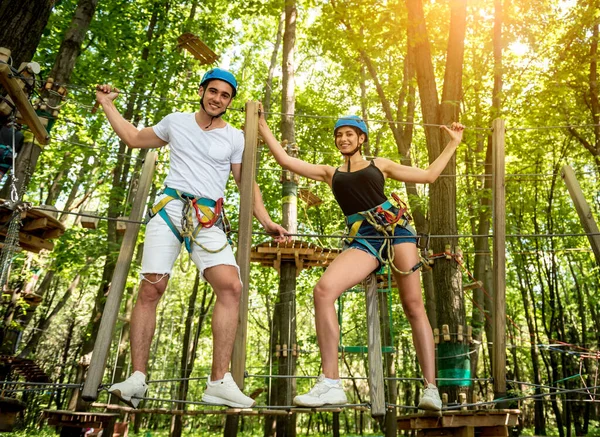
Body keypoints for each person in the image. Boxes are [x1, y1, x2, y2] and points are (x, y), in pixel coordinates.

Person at [95, 68, 288, 409]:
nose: (217, 98)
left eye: (225, 95)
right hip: (169, 210)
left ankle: (218, 382)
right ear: (202, 91)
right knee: (151, 287)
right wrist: (107, 104)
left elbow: (247, 184)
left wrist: (267, 219)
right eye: (213, 91)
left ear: (229, 102)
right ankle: (137, 379)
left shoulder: (234, 137)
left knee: (232, 286)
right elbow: (135, 138)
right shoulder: (176, 121)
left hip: (207, 217)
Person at [258, 110, 464, 410]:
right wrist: (263, 126)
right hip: (364, 237)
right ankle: (330, 383)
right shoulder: (331, 173)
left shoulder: (380, 164)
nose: (343, 139)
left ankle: (430, 388)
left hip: (397, 230)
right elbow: (287, 162)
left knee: (413, 305)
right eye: (339, 135)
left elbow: (430, 175)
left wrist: (453, 143)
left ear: (361, 138)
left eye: (349, 134)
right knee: (323, 291)